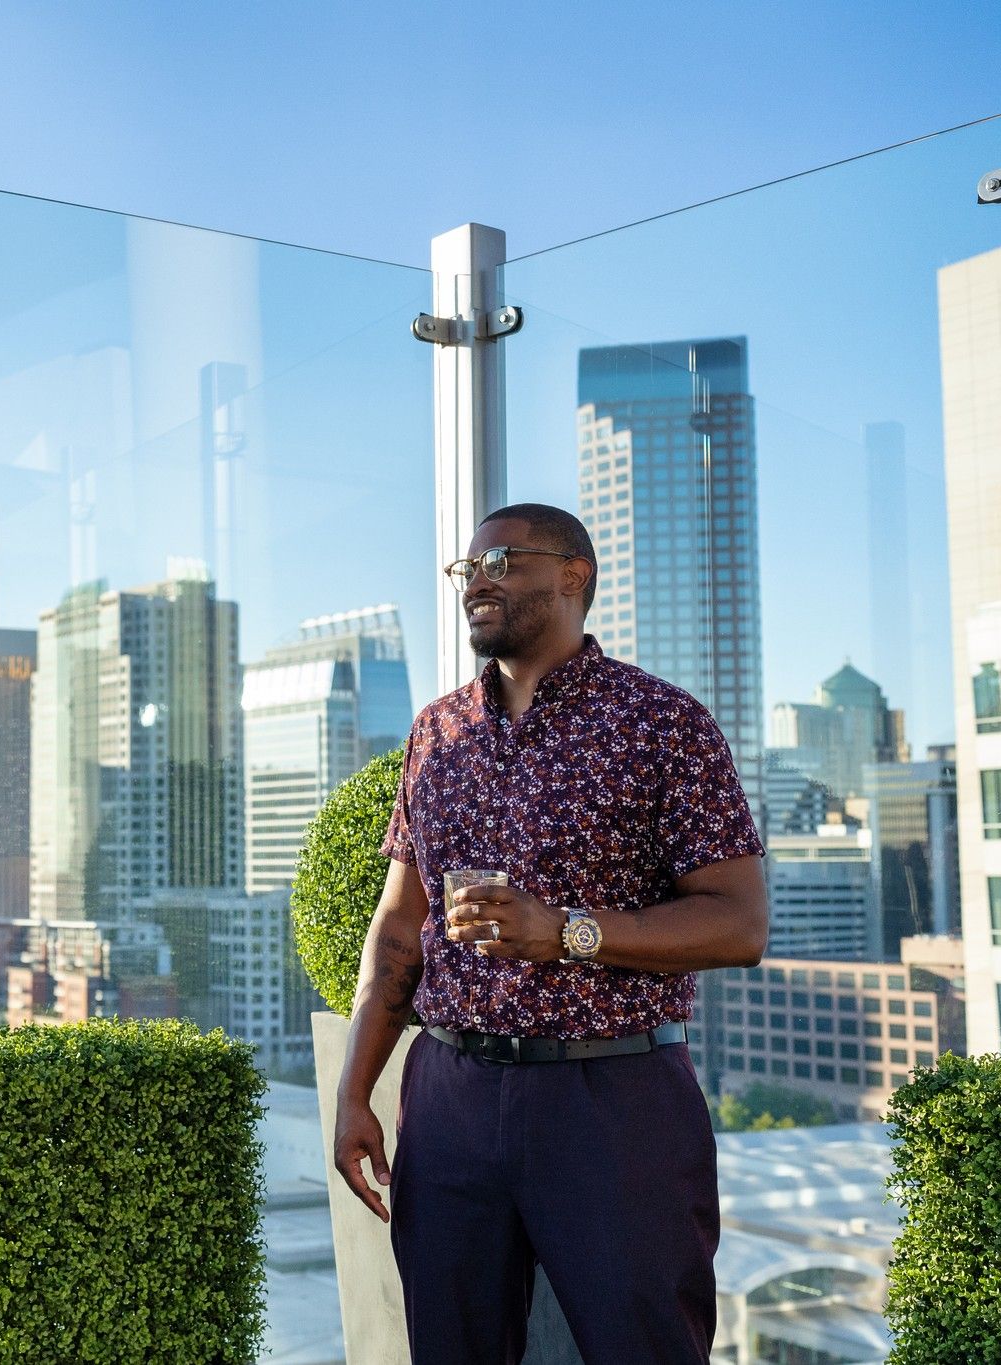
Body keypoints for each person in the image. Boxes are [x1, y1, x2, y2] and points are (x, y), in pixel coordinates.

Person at [331, 503, 767, 1364]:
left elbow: (740, 920)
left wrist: (564, 933)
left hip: (614, 1100)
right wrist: (356, 1088)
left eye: (501, 560)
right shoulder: (437, 731)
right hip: (450, 1097)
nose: (475, 582)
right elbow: (398, 925)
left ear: (575, 575)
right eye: (467, 569)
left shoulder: (662, 723)